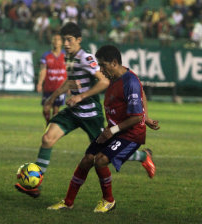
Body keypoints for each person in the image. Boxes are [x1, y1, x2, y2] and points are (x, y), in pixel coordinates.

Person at [47, 45, 159, 213]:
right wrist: (147, 116)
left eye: (103, 65)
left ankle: (109, 200)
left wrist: (125, 126)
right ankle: (68, 202)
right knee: (87, 159)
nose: (101, 69)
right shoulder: (115, 76)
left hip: (131, 134)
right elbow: (141, 94)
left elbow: (136, 116)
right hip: (115, 129)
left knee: (100, 160)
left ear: (114, 63)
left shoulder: (130, 81)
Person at [14, 22, 110, 197]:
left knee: (106, 154)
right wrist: (50, 100)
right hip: (73, 112)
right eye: (64, 40)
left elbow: (104, 81)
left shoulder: (86, 58)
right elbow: (70, 82)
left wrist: (80, 96)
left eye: (69, 40)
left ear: (79, 40)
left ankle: (142, 157)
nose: (66, 44)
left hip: (90, 114)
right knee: (47, 139)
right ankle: (35, 184)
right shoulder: (69, 57)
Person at [37, 33, 67, 124]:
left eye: (58, 40)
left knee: (56, 110)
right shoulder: (46, 55)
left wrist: (69, 86)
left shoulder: (66, 56)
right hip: (48, 87)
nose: (56, 42)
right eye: (54, 39)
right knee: (46, 108)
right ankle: (48, 122)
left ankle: (51, 127)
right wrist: (39, 83)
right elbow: (43, 70)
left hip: (60, 87)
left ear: (61, 42)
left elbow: (70, 71)